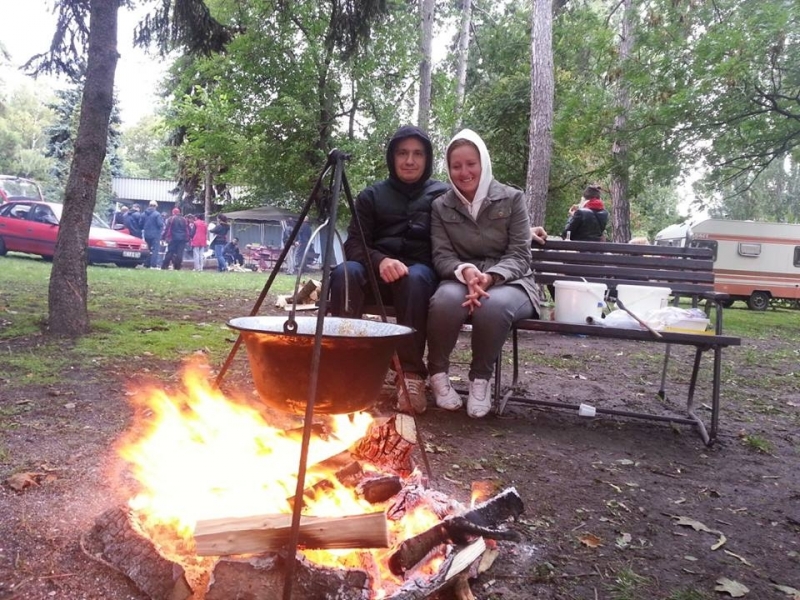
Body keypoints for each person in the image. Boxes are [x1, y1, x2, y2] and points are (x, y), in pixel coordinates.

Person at [329, 125, 448, 414]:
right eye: (402, 153)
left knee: (415, 277)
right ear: (392, 157)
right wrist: (380, 260)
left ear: (428, 158)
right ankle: (344, 367)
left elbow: (474, 223)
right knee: (344, 273)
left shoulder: (444, 195)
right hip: (374, 276)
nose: (410, 160)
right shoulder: (371, 196)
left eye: (418, 154)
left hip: (419, 280)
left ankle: (410, 375)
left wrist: (522, 231)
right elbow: (354, 243)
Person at [427, 129, 540, 418]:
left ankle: (480, 380)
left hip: (511, 281)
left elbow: (520, 254)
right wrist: (465, 270)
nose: (464, 172)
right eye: (456, 166)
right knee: (444, 301)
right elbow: (442, 255)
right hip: (461, 278)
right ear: (449, 169)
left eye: (471, 164)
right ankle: (437, 374)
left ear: (484, 163)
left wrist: (491, 277)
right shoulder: (441, 206)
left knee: (493, 305)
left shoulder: (512, 198)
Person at [142, 200, 165, 268]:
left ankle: (146, 263)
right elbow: (160, 224)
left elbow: (141, 223)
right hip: (156, 235)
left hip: (146, 234)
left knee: (147, 249)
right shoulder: (157, 214)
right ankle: (153, 264)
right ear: (155, 206)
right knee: (155, 250)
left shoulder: (144, 214)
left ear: (149, 205)